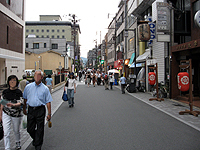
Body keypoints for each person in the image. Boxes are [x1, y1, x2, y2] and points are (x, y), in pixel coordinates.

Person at [23, 70, 52, 150]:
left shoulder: (45, 88)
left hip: (40, 110)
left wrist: (49, 113)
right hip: (31, 109)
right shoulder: (28, 87)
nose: (37, 77)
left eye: (39, 76)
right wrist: (24, 108)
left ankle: (38, 145)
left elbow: (48, 101)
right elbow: (25, 99)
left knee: (40, 128)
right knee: (30, 128)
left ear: (42, 77)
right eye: (35, 75)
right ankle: (36, 139)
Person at [0, 75, 23, 150]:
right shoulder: (5, 92)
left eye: (14, 80)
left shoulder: (19, 92)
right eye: (11, 80)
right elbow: (2, 104)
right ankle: (7, 147)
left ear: (16, 82)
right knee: (6, 132)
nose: (12, 82)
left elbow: (21, 103)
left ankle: (18, 142)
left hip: (16, 114)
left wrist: (13, 105)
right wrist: (0, 115)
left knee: (16, 130)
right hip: (6, 113)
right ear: (8, 82)